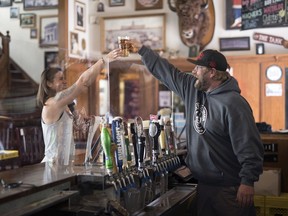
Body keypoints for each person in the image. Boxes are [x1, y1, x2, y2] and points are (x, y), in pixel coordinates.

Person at [129, 44, 264, 216]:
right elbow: (167, 72)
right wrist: (142, 50)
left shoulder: (234, 104)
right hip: (204, 185)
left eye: (198, 68)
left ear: (212, 72)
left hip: (230, 189)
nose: (193, 71)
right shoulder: (194, 90)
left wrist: (247, 181)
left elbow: (250, 146)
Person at [36, 49, 121, 165]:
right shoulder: (53, 103)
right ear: (49, 84)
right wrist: (104, 60)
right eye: (60, 79)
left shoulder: (63, 103)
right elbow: (83, 81)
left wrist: (87, 120)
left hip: (64, 164)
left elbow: (80, 124)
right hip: (53, 165)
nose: (65, 81)